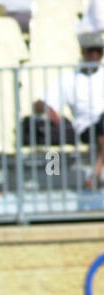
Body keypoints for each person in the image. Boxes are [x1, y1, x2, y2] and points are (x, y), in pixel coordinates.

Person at [31, 31, 104, 188]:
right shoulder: (70, 79)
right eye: (91, 51)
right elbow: (39, 103)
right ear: (82, 52)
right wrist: (49, 110)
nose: (95, 55)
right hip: (87, 128)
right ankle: (96, 175)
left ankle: (96, 174)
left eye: (99, 51)